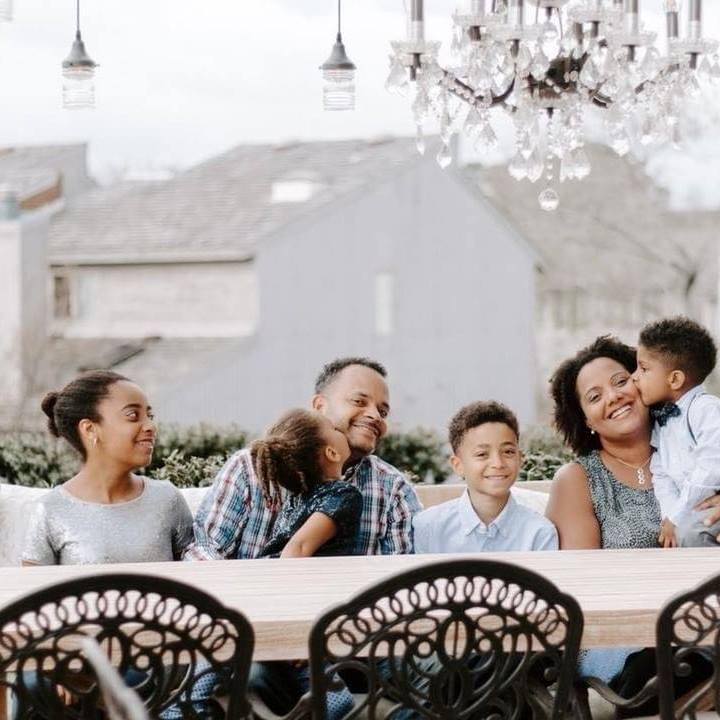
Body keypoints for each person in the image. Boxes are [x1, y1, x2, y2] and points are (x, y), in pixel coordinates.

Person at [546, 336, 709, 715]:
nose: (614, 397)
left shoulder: (699, 459)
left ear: (643, 381)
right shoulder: (578, 479)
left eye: (621, 381)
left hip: (702, 623)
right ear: (586, 419)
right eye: (594, 396)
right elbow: (582, 591)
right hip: (622, 640)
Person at [184, 356, 421, 561]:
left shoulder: (392, 489)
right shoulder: (249, 467)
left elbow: (402, 576)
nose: (374, 416)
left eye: (383, 411)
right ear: (319, 406)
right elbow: (204, 551)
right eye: (359, 401)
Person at [23, 370, 193, 566]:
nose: (151, 426)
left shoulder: (167, 499)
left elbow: (194, 582)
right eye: (132, 415)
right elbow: (34, 593)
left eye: (150, 415)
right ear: (90, 429)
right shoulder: (51, 509)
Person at [413, 400, 557, 553]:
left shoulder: (540, 533)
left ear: (519, 458)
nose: (498, 463)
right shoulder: (428, 527)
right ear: (458, 465)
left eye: (508, 452)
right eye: (482, 454)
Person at [633, 316, 720, 547]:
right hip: (691, 509)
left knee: (693, 533)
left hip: (711, 500)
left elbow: (710, 468)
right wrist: (669, 516)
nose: (635, 377)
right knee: (682, 535)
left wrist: (677, 515)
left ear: (674, 379)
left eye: (643, 369)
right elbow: (660, 473)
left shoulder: (706, 409)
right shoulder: (662, 420)